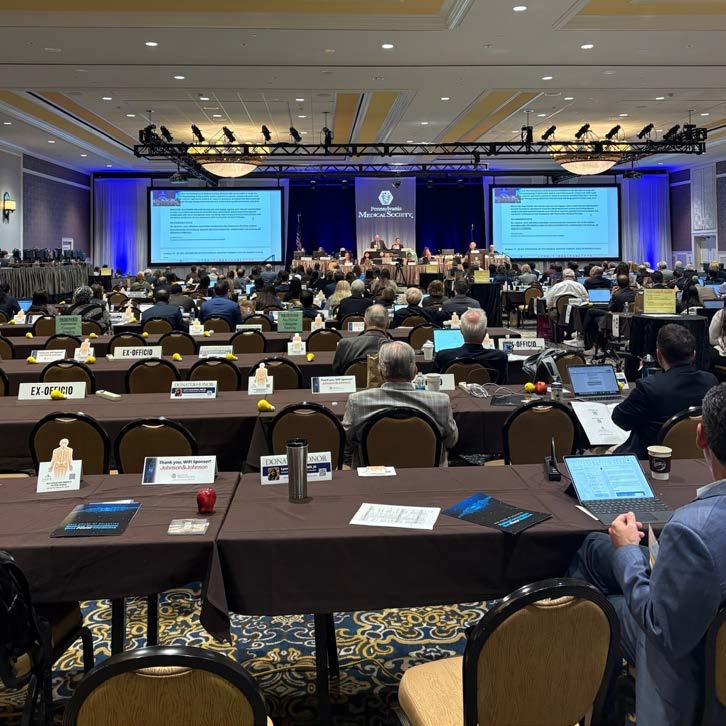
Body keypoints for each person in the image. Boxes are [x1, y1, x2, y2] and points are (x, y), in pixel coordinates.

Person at [567, 383, 726, 726]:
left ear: (700, 436)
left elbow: (660, 626)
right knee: (594, 549)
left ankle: (596, 704)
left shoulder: (693, 529)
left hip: (685, 653)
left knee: (595, 606)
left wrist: (627, 551)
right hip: (704, 618)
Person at [341, 340, 458, 466]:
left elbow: (346, 440)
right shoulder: (441, 402)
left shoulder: (357, 402)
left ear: (380, 373)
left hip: (372, 475)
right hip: (428, 474)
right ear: (414, 372)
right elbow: (451, 441)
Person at [612, 324, 717, 459]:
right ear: (694, 355)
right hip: (699, 459)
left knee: (601, 450)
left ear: (658, 354)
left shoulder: (649, 388)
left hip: (649, 462)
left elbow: (620, 420)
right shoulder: (711, 381)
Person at [432, 308, 508, 382]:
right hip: (488, 391)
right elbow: (503, 384)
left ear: (461, 331)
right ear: (485, 332)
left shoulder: (443, 356)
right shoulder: (499, 357)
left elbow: (434, 382)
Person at [332, 304, 390, 375]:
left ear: (364, 323)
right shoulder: (398, 350)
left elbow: (336, 375)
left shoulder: (344, 345)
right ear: (388, 324)